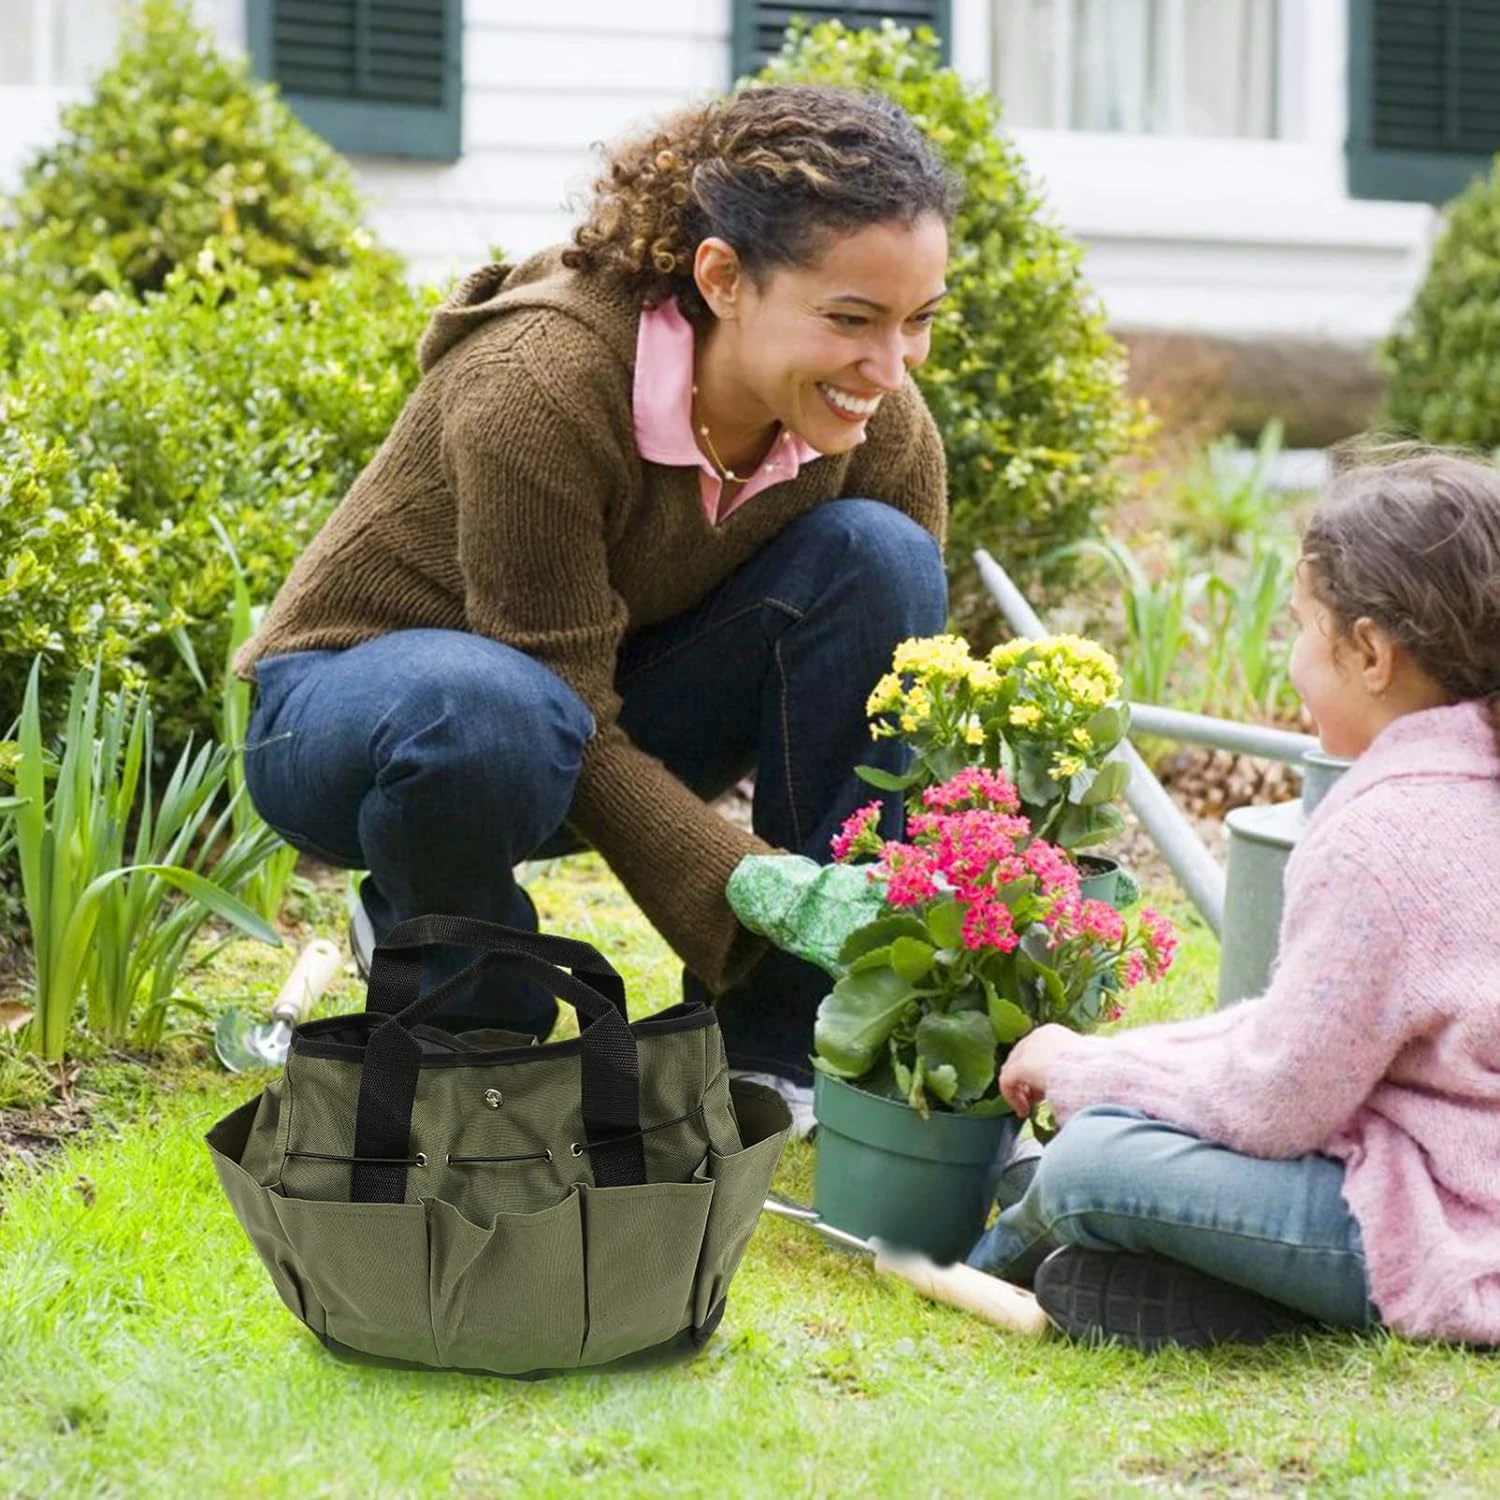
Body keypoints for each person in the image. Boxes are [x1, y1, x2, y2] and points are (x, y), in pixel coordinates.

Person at [235, 85, 959, 1132]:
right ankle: (465, 991)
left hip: (574, 707)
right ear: (723, 279)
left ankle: (767, 1043)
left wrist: (954, 896)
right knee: (489, 708)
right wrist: (761, 886)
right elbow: (559, 704)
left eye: (918, 322)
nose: (889, 368)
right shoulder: (542, 379)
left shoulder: (874, 417)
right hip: (356, 714)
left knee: (883, 560)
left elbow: (897, 708)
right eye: (852, 319)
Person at [968, 448, 1500, 1351]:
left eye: (1300, 626)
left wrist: (1086, 1076)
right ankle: (1190, 1286)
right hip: (1455, 1181)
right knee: (1115, 1153)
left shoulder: (1383, 838)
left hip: (1448, 1228)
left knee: (1090, 1166)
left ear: (1370, 651)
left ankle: (982, 1255)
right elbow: (1301, 1030)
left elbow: (1274, 1103)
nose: (1291, 659)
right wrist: (1119, 1057)